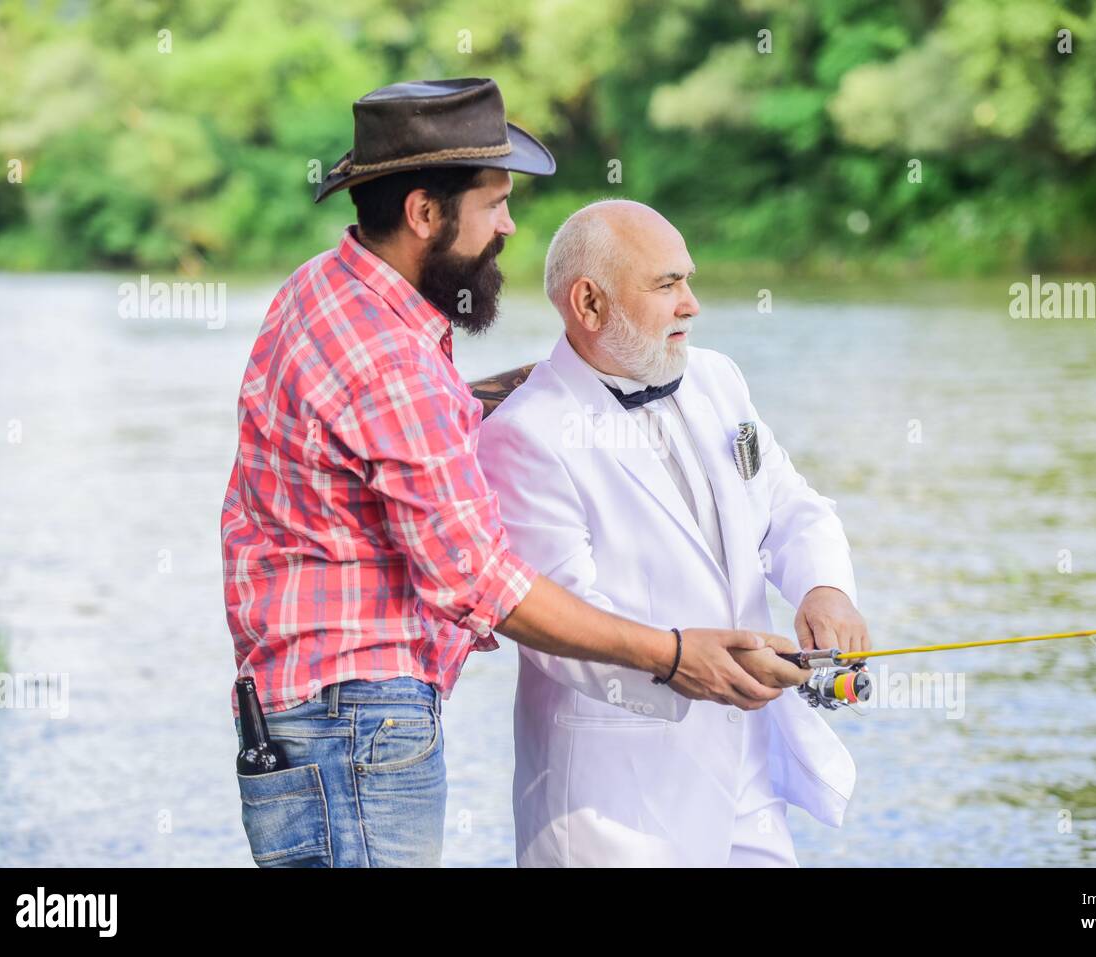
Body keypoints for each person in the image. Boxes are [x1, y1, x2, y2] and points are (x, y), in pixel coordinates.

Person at [221, 80, 797, 868]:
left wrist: (550, 381)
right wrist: (671, 652)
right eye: (493, 205)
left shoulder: (325, 290)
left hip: (309, 718)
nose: (509, 226)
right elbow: (482, 584)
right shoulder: (393, 365)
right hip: (357, 727)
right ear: (425, 213)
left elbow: (389, 433)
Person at [478, 200, 871, 866]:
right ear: (590, 303)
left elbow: (788, 506)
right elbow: (556, 626)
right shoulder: (525, 432)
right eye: (666, 285)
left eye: (686, 279)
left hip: (747, 773)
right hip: (615, 805)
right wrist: (686, 662)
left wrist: (824, 589)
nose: (691, 304)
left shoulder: (717, 378)